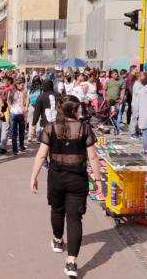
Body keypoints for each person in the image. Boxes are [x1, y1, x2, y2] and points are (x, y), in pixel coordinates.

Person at [30, 95, 103, 278]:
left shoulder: (50, 128)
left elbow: (41, 155)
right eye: (78, 109)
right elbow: (93, 157)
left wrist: (34, 176)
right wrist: (98, 180)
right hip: (78, 179)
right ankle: (71, 262)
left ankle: (57, 240)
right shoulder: (84, 129)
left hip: (56, 178)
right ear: (74, 110)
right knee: (74, 219)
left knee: (56, 210)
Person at [8, 77, 28, 155]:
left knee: (14, 132)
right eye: (21, 85)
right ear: (17, 84)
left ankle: (15, 150)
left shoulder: (11, 92)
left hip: (13, 114)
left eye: (23, 85)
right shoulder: (23, 92)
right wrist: (25, 116)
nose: (22, 86)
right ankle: (21, 146)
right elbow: (23, 105)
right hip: (20, 114)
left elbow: (8, 101)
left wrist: (11, 110)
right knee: (21, 131)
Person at [0, 75, 14, 154]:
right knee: (5, 128)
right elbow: (8, 101)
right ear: (9, 81)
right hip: (6, 110)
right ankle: (3, 146)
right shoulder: (10, 89)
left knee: (0, 128)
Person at [129, 71, 144, 138]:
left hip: (140, 104)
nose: (144, 77)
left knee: (139, 118)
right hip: (136, 103)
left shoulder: (141, 84)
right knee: (134, 117)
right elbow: (138, 94)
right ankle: (133, 132)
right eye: (143, 75)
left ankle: (137, 131)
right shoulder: (137, 84)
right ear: (139, 77)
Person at [28, 76, 42, 142]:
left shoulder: (31, 88)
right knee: (39, 122)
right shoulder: (41, 89)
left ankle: (30, 137)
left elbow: (28, 98)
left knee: (31, 121)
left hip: (31, 106)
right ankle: (38, 138)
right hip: (39, 107)